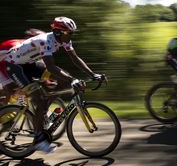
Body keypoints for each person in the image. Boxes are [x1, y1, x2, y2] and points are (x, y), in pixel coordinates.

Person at [1, 17, 105, 153]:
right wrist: (72, 79)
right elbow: (50, 67)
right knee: (38, 97)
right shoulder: (46, 41)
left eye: (71, 33)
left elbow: (75, 58)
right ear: (57, 32)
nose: (70, 36)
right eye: (68, 33)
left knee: (60, 81)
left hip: (29, 63)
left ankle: (43, 112)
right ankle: (38, 139)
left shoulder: (64, 40)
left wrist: (92, 74)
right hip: (14, 66)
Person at [0, 29, 46, 105]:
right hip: (3, 65)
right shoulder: (15, 46)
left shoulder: (34, 48)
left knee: (24, 83)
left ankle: (16, 102)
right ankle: (6, 108)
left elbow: (40, 63)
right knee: (10, 89)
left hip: (11, 64)